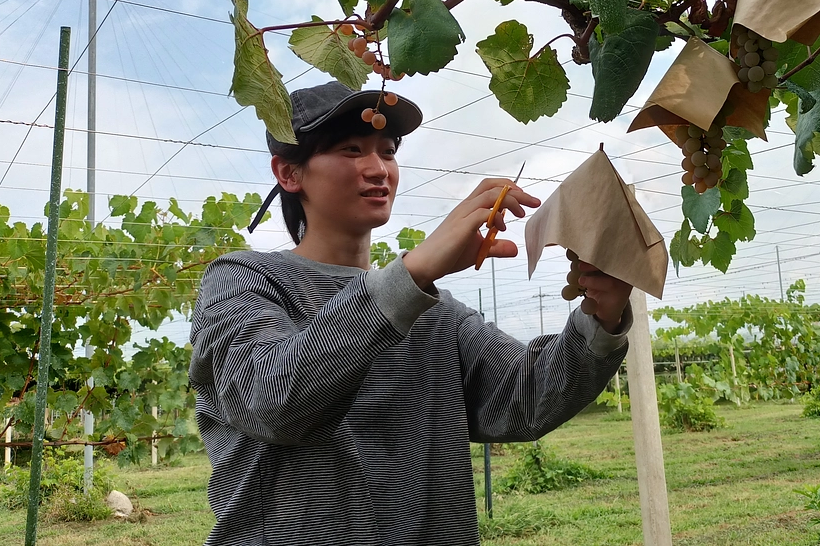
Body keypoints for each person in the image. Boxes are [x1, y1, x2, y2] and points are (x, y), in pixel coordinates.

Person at [188, 81, 634, 545]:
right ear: (289, 174)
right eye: (350, 150)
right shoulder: (243, 280)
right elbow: (273, 402)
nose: (378, 168)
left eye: (388, 151)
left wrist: (600, 317)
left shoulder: (435, 312)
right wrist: (414, 271)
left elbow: (528, 396)